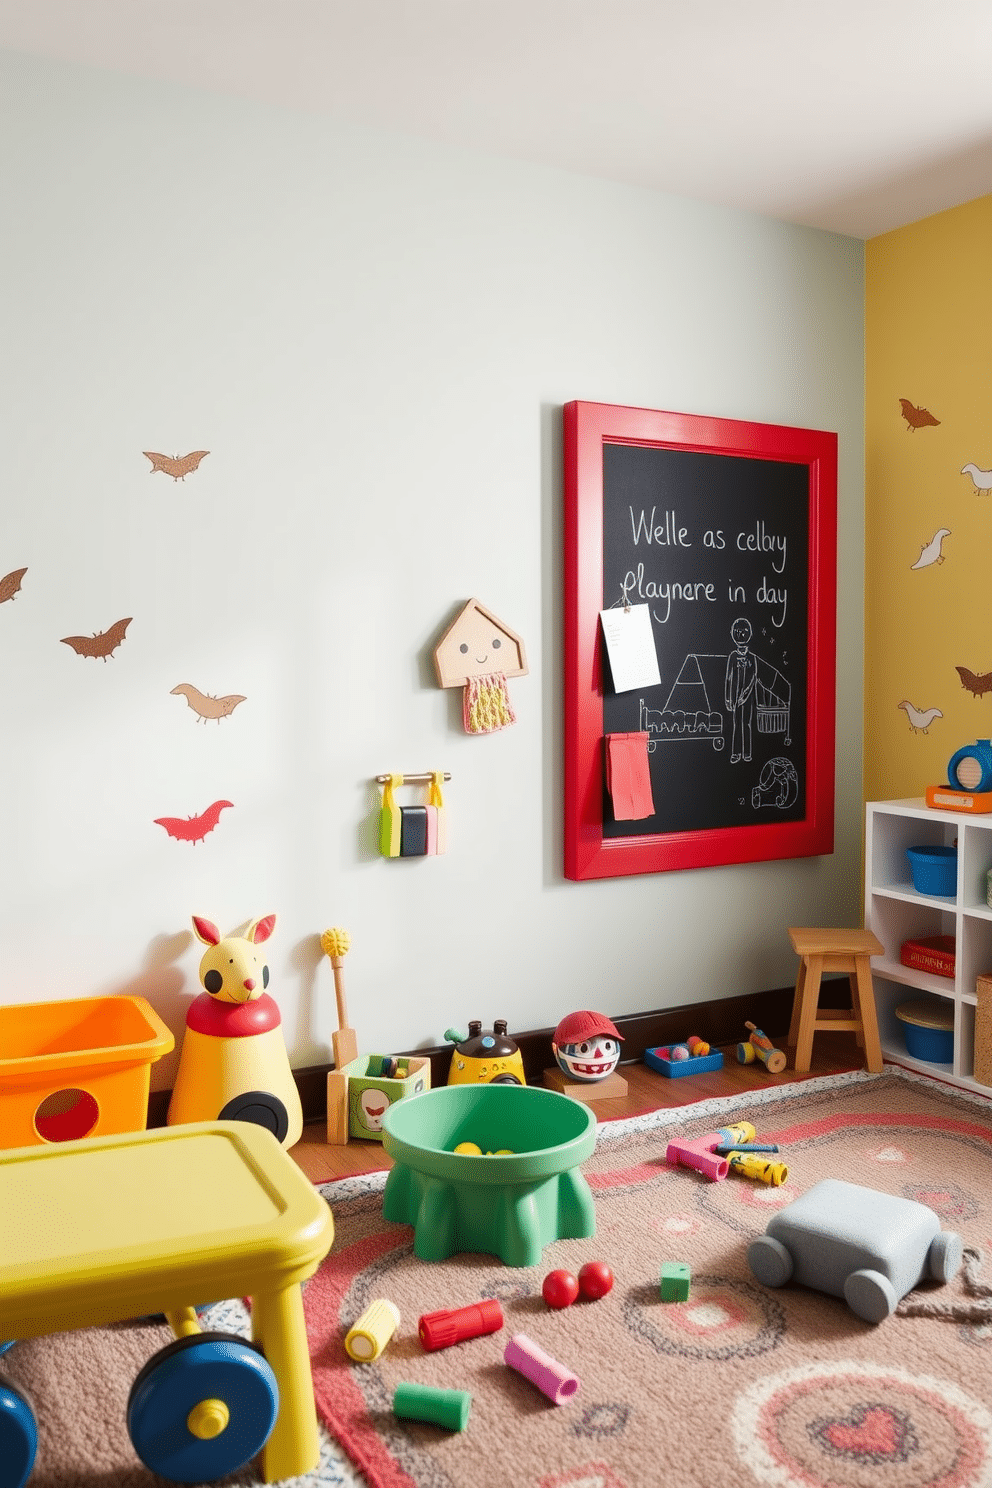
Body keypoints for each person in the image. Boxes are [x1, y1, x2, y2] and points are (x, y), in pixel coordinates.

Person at [724, 617, 757, 762]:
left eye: (744, 632)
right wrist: (727, 698)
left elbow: (753, 677)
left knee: (747, 723)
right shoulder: (732, 656)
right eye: (737, 632)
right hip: (735, 696)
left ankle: (747, 753)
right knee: (737, 723)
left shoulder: (752, 658)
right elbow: (728, 678)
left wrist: (746, 693)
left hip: (747, 697)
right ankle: (736, 753)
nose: (741, 635)